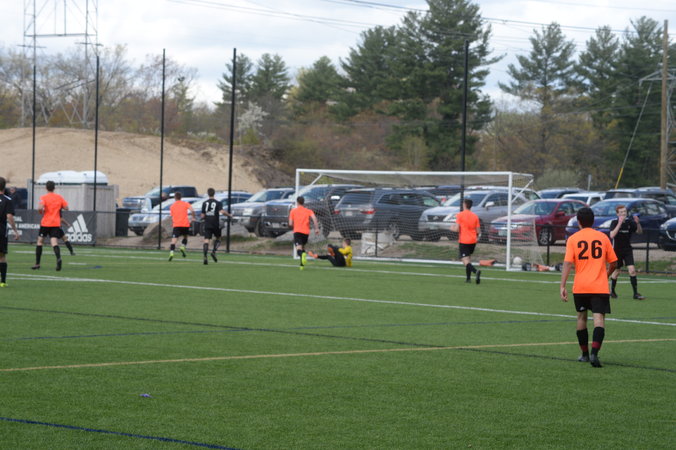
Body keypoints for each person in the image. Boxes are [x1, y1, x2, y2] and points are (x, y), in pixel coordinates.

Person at [560, 207, 617, 368]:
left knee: (581, 318)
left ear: (578, 222)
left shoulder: (573, 239)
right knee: (598, 319)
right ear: (593, 221)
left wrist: (562, 285)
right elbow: (614, 262)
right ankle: (594, 353)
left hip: (581, 286)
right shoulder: (603, 237)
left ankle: (584, 354)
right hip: (599, 286)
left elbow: (567, 264)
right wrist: (606, 275)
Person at [609, 205, 644, 300]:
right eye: (621, 212)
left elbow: (639, 232)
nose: (623, 213)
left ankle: (635, 294)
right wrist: (619, 223)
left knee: (632, 270)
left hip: (627, 250)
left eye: (624, 211)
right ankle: (612, 291)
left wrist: (638, 223)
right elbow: (612, 235)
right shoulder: (614, 222)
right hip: (617, 250)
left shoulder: (629, 223)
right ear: (617, 214)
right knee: (616, 271)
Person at [32, 180, 69, 271]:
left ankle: (37, 264)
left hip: (46, 223)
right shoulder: (59, 197)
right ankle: (58, 258)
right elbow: (67, 208)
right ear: (54, 188)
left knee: (40, 242)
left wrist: (41, 212)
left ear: (46, 188)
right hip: (55, 223)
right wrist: (59, 207)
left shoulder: (44, 197)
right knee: (54, 242)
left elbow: (40, 208)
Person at [450, 198, 482, 284]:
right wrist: (475, 237)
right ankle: (468, 279)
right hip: (473, 241)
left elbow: (456, 229)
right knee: (468, 259)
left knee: (465, 260)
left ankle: (476, 271)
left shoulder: (460, 215)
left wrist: (451, 228)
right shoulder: (475, 216)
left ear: (464, 205)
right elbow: (478, 231)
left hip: (464, 241)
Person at [201, 188, 232, 265]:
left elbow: (202, 215)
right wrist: (229, 215)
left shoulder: (204, 203)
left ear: (208, 194)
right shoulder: (218, 203)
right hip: (215, 223)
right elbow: (222, 211)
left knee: (206, 240)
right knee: (218, 238)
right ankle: (214, 252)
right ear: (214, 193)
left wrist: (205, 217)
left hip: (207, 223)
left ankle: (205, 257)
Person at [288, 196, 319, 270]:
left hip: (297, 232)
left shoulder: (293, 211)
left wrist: (293, 224)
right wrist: (316, 228)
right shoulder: (308, 211)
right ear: (303, 202)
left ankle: (302, 255)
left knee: (299, 249)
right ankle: (302, 265)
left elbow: (290, 223)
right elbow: (314, 218)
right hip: (306, 232)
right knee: (302, 247)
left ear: (297, 202)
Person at [0, 177, 20, 287]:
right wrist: (15, 231)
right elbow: (9, 217)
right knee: (2, 256)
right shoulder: (7, 200)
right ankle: (2, 282)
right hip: (1, 230)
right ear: (4, 187)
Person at [168, 192, 195, 261]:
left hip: (176, 225)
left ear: (175, 197)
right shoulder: (185, 203)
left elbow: (172, 215)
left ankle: (171, 252)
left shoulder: (172, 206)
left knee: (174, 240)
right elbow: (192, 210)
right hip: (185, 224)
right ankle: (182, 246)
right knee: (185, 237)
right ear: (181, 197)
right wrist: (193, 218)